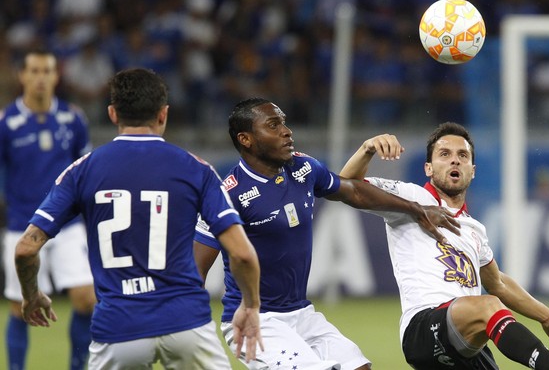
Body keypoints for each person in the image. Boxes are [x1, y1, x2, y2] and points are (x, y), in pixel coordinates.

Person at [14, 68, 263, 369]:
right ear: (163, 114)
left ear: (112, 113)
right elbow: (242, 254)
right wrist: (251, 306)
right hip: (186, 323)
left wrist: (31, 294)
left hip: (118, 329)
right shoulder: (195, 169)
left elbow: (26, 249)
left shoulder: (82, 171)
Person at [193, 97, 460, 370]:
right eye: (273, 125)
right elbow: (196, 271)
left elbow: (352, 190)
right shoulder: (227, 194)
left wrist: (416, 209)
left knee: (359, 367)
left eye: (284, 122)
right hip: (257, 321)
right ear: (246, 139)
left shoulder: (302, 168)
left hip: (301, 313)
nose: (286, 131)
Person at [339, 125, 549, 370]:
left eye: (463, 155)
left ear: (472, 170)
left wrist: (548, 317)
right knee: (487, 305)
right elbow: (345, 185)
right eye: (444, 154)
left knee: (487, 306)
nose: (455, 160)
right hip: (424, 327)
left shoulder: (475, 229)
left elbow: (499, 283)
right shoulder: (412, 198)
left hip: (469, 341)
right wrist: (368, 148)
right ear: (428, 168)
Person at [0, 49, 96, 370]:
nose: (40, 77)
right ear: (23, 76)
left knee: (86, 299)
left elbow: (85, 170)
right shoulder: (6, 123)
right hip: (22, 225)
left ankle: (77, 365)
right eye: (35, 71)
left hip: (67, 226)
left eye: (47, 71)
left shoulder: (72, 118)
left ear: (56, 77)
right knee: (19, 307)